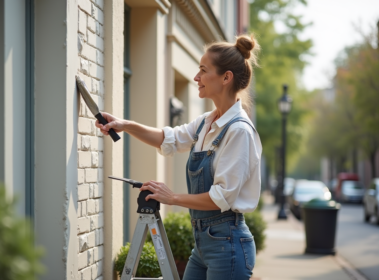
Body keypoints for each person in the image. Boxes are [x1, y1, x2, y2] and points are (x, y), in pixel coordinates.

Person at [96, 34, 262, 280]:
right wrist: (125, 125)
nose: (196, 77)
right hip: (203, 242)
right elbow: (169, 138)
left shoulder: (238, 131)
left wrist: (171, 197)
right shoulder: (207, 122)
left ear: (226, 78)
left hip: (228, 245)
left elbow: (221, 197)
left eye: (203, 71)